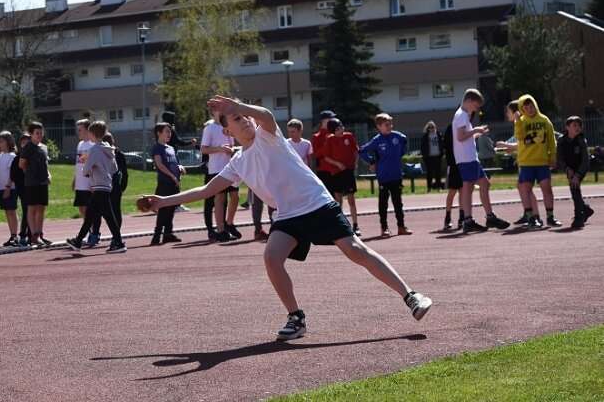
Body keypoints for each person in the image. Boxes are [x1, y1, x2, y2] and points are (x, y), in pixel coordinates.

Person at [144, 96, 432, 340]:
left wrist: (237, 104)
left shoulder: (269, 136)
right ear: (228, 132)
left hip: (316, 203)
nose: (243, 119)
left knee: (354, 249)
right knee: (271, 257)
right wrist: (163, 202)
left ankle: (411, 296)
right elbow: (207, 189)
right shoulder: (239, 162)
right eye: (235, 118)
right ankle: (296, 318)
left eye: (244, 115)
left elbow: (266, 115)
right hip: (288, 216)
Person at [452, 89, 510, 233]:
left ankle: (470, 219)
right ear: (469, 101)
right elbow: (460, 136)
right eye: (476, 106)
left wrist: (476, 133)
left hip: (466, 157)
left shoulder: (462, 115)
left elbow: (463, 137)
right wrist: (475, 130)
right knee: (480, 184)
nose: (477, 109)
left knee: (471, 187)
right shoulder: (462, 115)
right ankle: (485, 217)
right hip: (467, 158)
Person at [66, 121, 127, 254]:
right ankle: (78, 241)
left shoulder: (93, 150)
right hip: (106, 185)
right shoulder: (109, 150)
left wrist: (90, 173)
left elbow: (86, 169)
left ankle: (119, 242)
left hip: (98, 185)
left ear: (92, 134)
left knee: (109, 216)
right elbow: (114, 168)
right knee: (90, 216)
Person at [358, 113, 411, 238]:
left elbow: (404, 140)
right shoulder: (377, 140)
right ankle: (384, 228)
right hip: (383, 176)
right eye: (386, 125)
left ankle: (401, 227)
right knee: (383, 202)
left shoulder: (397, 136)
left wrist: (401, 153)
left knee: (398, 202)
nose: (389, 127)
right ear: (379, 126)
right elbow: (361, 150)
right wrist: (372, 161)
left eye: (390, 124)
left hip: (396, 175)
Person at [514, 94, 562, 228]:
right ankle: (531, 217)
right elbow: (519, 136)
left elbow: (552, 141)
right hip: (527, 162)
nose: (529, 109)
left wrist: (552, 157)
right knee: (526, 190)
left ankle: (550, 216)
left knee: (547, 188)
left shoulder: (545, 120)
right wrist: (517, 122)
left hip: (542, 162)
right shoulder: (521, 121)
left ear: (535, 105)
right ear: (522, 109)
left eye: (531, 106)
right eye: (526, 107)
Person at [495, 100, 541, 226]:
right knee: (522, 187)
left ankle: (535, 215)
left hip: (528, 161)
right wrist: (511, 148)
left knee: (526, 188)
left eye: (508, 111)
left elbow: (524, 144)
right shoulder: (519, 123)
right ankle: (529, 213)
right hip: (524, 160)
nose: (506, 114)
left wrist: (506, 145)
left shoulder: (521, 123)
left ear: (516, 112)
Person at [317, 118, 361, 237]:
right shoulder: (329, 140)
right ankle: (340, 226)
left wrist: (355, 163)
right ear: (332, 131)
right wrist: (338, 164)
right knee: (339, 200)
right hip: (336, 173)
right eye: (337, 129)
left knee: (351, 200)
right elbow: (326, 157)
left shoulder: (349, 136)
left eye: (341, 127)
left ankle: (355, 225)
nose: (341, 130)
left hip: (348, 172)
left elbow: (356, 151)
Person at [200, 116, 239, 242]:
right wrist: (220, 149)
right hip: (216, 168)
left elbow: (232, 145)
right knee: (220, 199)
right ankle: (220, 230)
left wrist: (230, 150)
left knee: (234, 197)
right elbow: (203, 149)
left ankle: (229, 222)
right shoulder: (209, 128)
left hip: (230, 167)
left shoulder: (229, 125)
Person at [19, 121, 54, 247]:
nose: (40, 135)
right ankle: (34, 235)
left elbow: (45, 165)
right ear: (31, 134)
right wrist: (31, 173)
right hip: (32, 183)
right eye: (37, 133)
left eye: (41, 132)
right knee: (32, 208)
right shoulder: (27, 148)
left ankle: (39, 233)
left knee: (41, 208)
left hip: (43, 182)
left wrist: (48, 175)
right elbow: (21, 164)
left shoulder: (44, 147)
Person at [150, 122, 185, 245]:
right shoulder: (157, 148)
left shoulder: (170, 148)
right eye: (167, 131)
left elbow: (174, 163)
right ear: (159, 133)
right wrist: (172, 176)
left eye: (170, 131)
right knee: (164, 209)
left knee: (171, 208)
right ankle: (156, 236)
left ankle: (168, 234)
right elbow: (159, 164)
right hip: (165, 182)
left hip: (174, 182)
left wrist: (179, 167)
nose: (169, 134)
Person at [557, 116, 595, 228]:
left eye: (579, 125)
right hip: (569, 168)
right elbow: (559, 159)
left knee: (574, 187)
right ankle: (585, 210)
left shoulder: (582, 140)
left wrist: (578, 175)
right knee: (575, 189)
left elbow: (585, 160)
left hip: (581, 168)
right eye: (574, 125)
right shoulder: (561, 141)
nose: (578, 128)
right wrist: (568, 170)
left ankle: (579, 217)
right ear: (567, 127)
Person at [71, 119, 98, 247]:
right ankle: (90, 230)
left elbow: (93, 165)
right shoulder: (80, 144)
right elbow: (78, 164)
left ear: (88, 130)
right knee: (81, 208)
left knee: (89, 209)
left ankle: (93, 233)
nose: (78, 132)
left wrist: (93, 182)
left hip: (89, 183)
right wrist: (75, 179)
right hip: (80, 183)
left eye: (80, 129)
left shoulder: (92, 145)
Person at [0, 131, 20, 246]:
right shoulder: (1, 155)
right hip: (1, 188)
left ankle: (15, 235)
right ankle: (11, 234)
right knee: (7, 211)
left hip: (10, 188)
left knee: (12, 211)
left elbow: (12, 173)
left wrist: (8, 187)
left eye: (2, 141)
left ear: (8, 142)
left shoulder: (11, 156)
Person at [441, 122, 464, 231]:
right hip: (455, 164)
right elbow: (446, 146)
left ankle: (462, 217)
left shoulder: (466, 125)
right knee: (453, 191)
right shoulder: (451, 127)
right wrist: (451, 163)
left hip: (464, 163)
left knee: (463, 191)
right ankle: (448, 216)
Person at [102, 132, 128, 229]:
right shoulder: (119, 154)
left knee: (112, 210)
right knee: (115, 210)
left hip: (108, 185)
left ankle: (115, 234)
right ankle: (115, 233)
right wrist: (123, 185)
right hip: (114, 185)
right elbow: (125, 172)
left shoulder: (117, 154)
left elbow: (124, 171)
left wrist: (122, 185)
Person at [12, 133, 31, 246]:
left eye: (27, 142)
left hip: (34, 187)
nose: (25, 144)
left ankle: (33, 234)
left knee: (34, 212)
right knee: (26, 211)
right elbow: (14, 175)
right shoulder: (17, 158)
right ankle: (23, 235)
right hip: (23, 189)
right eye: (23, 142)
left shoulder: (33, 155)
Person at [311, 110, 336, 191]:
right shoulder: (316, 137)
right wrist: (327, 141)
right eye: (330, 119)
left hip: (337, 169)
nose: (333, 120)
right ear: (323, 122)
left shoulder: (336, 133)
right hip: (324, 170)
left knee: (338, 197)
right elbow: (316, 154)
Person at [420, 121, 444, 191]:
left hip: (438, 156)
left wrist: (442, 152)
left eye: (433, 127)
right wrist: (424, 155)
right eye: (430, 127)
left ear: (435, 127)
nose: (432, 128)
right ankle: (429, 187)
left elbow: (442, 144)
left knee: (438, 173)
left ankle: (438, 187)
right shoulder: (425, 136)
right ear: (428, 128)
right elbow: (422, 147)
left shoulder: (439, 135)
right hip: (429, 157)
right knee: (429, 173)